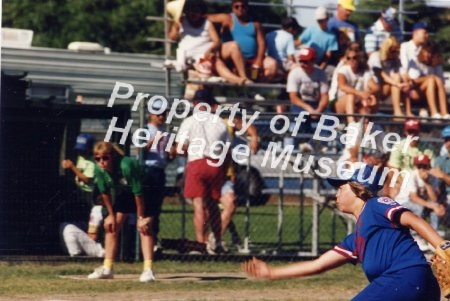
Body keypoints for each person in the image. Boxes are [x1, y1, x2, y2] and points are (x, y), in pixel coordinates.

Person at [243, 164, 443, 301]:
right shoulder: (356, 239)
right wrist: (271, 273)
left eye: (341, 186)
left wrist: (443, 246)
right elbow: (317, 265)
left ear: (358, 187)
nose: (336, 192)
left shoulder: (375, 205)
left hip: (404, 278)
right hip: (413, 286)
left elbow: (412, 220)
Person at [87, 142, 156, 282]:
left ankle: (148, 270)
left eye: (105, 158)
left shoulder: (126, 165)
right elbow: (104, 193)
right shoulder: (99, 169)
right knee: (111, 226)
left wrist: (141, 217)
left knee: (144, 228)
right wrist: (111, 216)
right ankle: (107, 268)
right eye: (97, 158)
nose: (101, 162)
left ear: (112, 157)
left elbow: (138, 193)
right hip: (125, 192)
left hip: (146, 191)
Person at [175, 89, 231, 254]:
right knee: (213, 204)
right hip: (216, 164)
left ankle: (201, 244)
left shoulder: (189, 121)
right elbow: (228, 151)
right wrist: (224, 170)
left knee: (199, 204)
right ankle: (217, 241)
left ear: (195, 104)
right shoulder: (220, 122)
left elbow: (179, 149)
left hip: (197, 161)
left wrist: (188, 152)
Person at [168, 0, 251, 85]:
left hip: (207, 51)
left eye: (197, 11)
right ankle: (239, 81)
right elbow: (172, 38)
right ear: (187, 11)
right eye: (191, 10)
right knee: (217, 62)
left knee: (234, 46)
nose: (194, 14)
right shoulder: (181, 21)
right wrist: (176, 24)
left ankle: (243, 77)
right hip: (192, 55)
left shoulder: (207, 23)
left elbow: (217, 41)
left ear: (201, 12)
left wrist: (211, 50)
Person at [208, 0, 277, 82]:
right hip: (232, 59)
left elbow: (262, 43)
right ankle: (244, 81)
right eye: (236, 6)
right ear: (232, 8)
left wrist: (258, 61)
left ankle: (254, 89)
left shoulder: (255, 24)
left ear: (247, 8)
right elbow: (206, 17)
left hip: (251, 59)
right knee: (234, 47)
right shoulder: (227, 18)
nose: (240, 9)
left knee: (272, 64)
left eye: (243, 6)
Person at [141, 99, 176, 250]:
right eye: (158, 114)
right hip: (148, 170)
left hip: (160, 171)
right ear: (150, 115)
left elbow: (167, 155)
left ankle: (154, 239)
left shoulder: (166, 133)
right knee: (146, 205)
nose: (161, 117)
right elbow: (140, 151)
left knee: (156, 207)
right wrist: (153, 141)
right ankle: (144, 239)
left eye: (163, 114)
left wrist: (171, 154)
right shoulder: (145, 130)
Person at [286, 47, 329, 152]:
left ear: (313, 61)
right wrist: (308, 108)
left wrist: (319, 109)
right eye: (301, 61)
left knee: (330, 118)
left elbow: (325, 95)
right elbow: (293, 97)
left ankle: (315, 144)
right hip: (300, 104)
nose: (302, 64)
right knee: (301, 117)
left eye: (306, 61)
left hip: (316, 103)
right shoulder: (295, 73)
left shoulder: (320, 73)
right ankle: (303, 143)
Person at [386, 119, 435, 198]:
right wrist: (403, 185)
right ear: (405, 132)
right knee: (394, 189)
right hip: (403, 180)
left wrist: (424, 180)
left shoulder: (428, 148)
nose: (412, 135)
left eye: (415, 132)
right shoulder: (399, 145)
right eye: (410, 132)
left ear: (419, 132)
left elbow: (432, 168)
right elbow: (393, 168)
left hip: (421, 180)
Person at [368, 36, 411, 118]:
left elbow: (402, 73)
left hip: (387, 87)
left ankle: (408, 111)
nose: (395, 53)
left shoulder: (395, 60)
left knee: (403, 82)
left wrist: (406, 81)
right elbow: (382, 75)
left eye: (396, 51)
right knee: (396, 79)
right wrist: (397, 83)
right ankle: (397, 111)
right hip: (375, 87)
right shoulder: (375, 56)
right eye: (393, 51)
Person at [334, 48, 379, 124]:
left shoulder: (365, 72)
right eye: (349, 58)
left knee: (372, 98)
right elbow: (342, 86)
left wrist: (367, 94)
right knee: (351, 96)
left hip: (359, 102)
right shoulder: (343, 70)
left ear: (359, 59)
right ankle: (352, 124)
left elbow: (375, 87)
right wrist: (360, 93)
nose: (352, 60)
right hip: (341, 102)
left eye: (354, 58)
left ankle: (366, 124)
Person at [407, 42, 449, 119]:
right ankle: (434, 112)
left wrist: (434, 78)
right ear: (422, 51)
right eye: (427, 52)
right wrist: (429, 77)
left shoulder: (436, 65)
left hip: (431, 91)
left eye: (431, 53)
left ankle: (444, 112)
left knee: (437, 80)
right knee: (431, 79)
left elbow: (442, 81)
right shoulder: (415, 62)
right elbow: (413, 81)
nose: (428, 55)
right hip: (415, 92)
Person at [297, 6, 338, 70]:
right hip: (306, 60)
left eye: (322, 20)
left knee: (332, 70)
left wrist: (321, 69)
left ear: (327, 19)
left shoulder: (332, 36)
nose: (320, 22)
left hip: (318, 63)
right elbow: (299, 41)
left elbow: (327, 56)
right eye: (318, 20)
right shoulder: (312, 28)